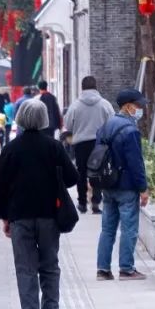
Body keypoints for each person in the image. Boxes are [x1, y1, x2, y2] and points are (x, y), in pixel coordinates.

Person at [0, 97, 79, 309]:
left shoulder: (10, 149)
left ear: (20, 118)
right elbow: (73, 178)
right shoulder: (53, 147)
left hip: (20, 217)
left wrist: (5, 217)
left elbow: (0, 187)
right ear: (44, 119)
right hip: (49, 215)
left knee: (26, 268)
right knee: (50, 265)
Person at [95, 88, 150, 281]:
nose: (141, 109)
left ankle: (102, 270)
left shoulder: (106, 125)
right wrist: (143, 188)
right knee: (129, 229)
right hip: (126, 187)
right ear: (127, 107)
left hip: (108, 185)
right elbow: (136, 163)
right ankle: (126, 269)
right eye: (138, 105)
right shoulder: (130, 130)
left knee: (107, 228)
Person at [62, 76, 114, 215]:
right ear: (96, 86)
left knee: (81, 173)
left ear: (82, 87)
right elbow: (112, 123)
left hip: (81, 144)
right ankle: (96, 202)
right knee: (98, 172)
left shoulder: (75, 105)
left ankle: (82, 203)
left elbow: (68, 125)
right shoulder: (105, 104)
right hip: (100, 144)